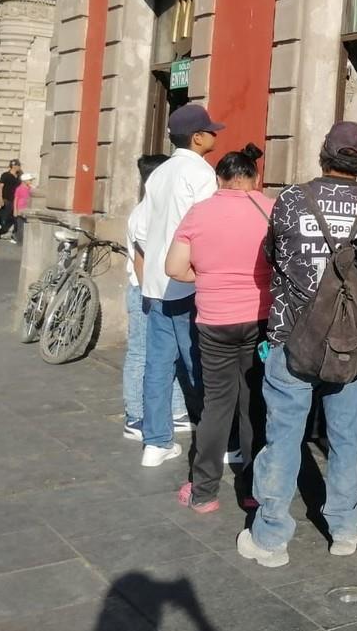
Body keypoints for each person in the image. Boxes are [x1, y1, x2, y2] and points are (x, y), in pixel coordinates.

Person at [238, 122, 357, 568]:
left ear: (323, 155)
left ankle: (272, 536)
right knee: (346, 436)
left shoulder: (293, 199)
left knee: (282, 437)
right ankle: (344, 528)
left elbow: (272, 254)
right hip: (349, 341)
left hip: (290, 333)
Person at [166, 143, 272, 513]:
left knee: (216, 406)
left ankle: (204, 492)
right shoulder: (270, 209)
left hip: (214, 321)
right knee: (254, 404)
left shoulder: (199, 213)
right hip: (260, 319)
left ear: (218, 179)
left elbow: (175, 269)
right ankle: (253, 490)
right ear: (255, 178)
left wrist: (210, 277)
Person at [133, 104, 222, 467]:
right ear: (197, 137)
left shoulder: (159, 174)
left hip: (157, 284)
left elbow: (140, 230)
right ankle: (215, 442)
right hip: (188, 283)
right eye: (210, 130)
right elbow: (208, 228)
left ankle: (155, 442)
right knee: (200, 366)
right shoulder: (200, 173)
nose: (215, 134)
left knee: (158, 365)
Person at [122, 155, 189, 443]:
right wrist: (151, 294)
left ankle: (174, 411)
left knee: (164, 357)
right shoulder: (144, 214)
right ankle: (135, 415)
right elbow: (142, 259)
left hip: (152, 289)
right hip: (145, 290)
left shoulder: (151, 210)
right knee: (141, 354)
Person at [0, 159, 23, 242]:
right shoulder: (5, 175)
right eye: (18, 165)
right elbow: (0, 187)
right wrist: (0, 199)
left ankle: (8, 233)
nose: (19, 167)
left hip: (15, 200)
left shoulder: (18, 177)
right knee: (4, 217)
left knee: (13, 217)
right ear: (14, 166)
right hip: (6, 200)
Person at [12, 172, 34, 247]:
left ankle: (26, 241)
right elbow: (16, 199)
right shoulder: (19, 189)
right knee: (20, 226)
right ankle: (20, 242)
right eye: (30, 180)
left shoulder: (31, 188)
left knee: (27, 225)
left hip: (28, 208)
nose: (31, 181)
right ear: (25, 181)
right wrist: (15, 209)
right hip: (20, 208)